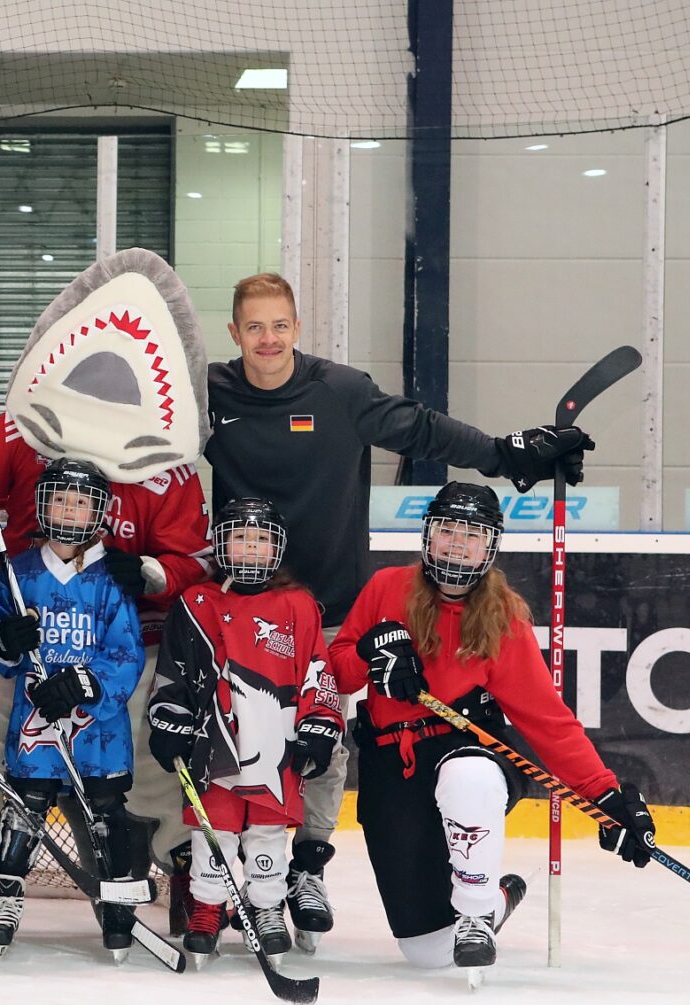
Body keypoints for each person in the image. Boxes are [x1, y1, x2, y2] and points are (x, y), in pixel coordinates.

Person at [205, 271, 597, 937]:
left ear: (297, 327)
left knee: (320, 741)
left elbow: (423, 430)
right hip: (240, 601)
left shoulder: (339, 391)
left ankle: (307, 865)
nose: (267, 338)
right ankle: (217, 873)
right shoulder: (210, 392)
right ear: (234, 332)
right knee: (232, 733)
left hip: (328, 604)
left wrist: (503, 455)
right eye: (254, 327)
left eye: (279, 325)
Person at [328, 482, 656, 971]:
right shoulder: (385, 588)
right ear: (428, 534)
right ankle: (501, 899)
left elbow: (548, 720)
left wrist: (604, 796)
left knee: (469, 776)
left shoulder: (501, 618)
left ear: (490, 547)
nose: (458, 544)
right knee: (427, 952)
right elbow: (338, 673)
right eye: (448, 530)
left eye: (472, 535)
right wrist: (369, 654)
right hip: (390, 767)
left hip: (464, 746)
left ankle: (477, 913)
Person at [0, 408, 213, 928]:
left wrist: (152, 572)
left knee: (148, 775)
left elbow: (197, 559)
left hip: (124, 643)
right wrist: (2, 632)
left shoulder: (166, 458)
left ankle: (189, 885)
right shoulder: (27, 425)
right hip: (25, 636)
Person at [144, 498, 343, 961]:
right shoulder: (196, 603)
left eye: (261, 540)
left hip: (276, 744)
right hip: (213, 743)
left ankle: (267, 906)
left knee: (267, 832)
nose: (250, 548)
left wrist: (318, 725)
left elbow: (317, 671)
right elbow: (173, 671)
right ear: (220, 545)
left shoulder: (298, 605)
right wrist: (170, 720)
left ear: (278, 549)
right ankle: (207, 907)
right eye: (240, 538)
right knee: (212, 829)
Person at [0, 457, 145, 960]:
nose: (70, 510)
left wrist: (85, 682)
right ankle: (7, 896)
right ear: (42, 505)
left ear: (100, 511)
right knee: (25, 806)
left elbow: (127, 652)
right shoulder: (19, 573)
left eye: (82, 502)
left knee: (107, 810)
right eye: (60, 499)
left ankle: (118, 906)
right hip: (36, 718)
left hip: (99, 727)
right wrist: (9, 640)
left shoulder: (113, 576)